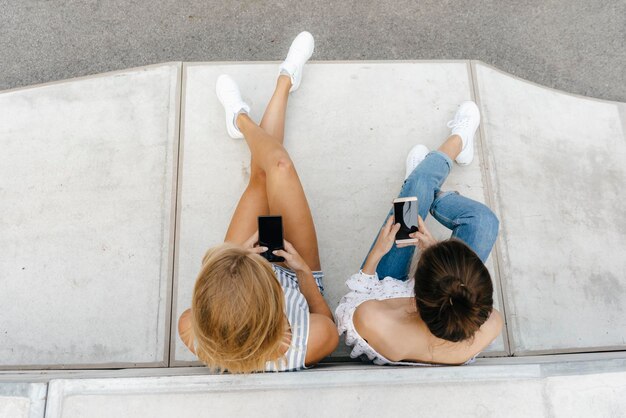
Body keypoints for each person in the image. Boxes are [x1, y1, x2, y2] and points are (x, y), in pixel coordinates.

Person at [178, 32, 338, 373]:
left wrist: (238, 263)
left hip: (233, 277)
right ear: (273, 315)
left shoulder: (193, 330)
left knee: (263, 177)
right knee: (278, 166)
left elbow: (206, 296)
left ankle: (241, 118)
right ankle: (277, 88)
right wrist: (301, 273)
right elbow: (323, 316)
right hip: (298, 275)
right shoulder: (310, 340)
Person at [336, 101, 503, 365]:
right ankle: (430, 177)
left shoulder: (374, 319)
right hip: (440, 299)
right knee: (484, 222)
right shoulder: (488, 322)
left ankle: (446, 152)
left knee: (417, 191)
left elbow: (351, 301)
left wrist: (376, 257)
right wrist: (436, 254)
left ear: (416, 296)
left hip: (384, 288)